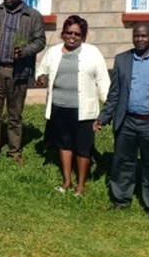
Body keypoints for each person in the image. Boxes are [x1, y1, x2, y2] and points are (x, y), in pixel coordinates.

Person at [94, 23, 149, 220]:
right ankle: (120, 200)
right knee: (123, 162)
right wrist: (104, 116)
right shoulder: (122, 60)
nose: (140, 39)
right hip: (127, 121)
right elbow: (114, 93)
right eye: (136, 36)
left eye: (144, 36)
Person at [35, 15, 110, 196]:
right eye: (69, 33)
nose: (72, 37)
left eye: (77, 34)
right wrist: (41, 79)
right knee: (64, 145)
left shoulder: (92, 52)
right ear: (63, 33)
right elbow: (41, 71)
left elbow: (103, 80)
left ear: (83, 36)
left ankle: (81, 185)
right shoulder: (53, 52)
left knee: (83, 148)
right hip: (59, 107)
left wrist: (107, 109)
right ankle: (67, 181)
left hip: (83, 110)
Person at [0, 0, 46, 164]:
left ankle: (14, 150)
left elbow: (40, 40)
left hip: (18, 72)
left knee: (15, 114)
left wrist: (25, 50)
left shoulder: (32, 16)